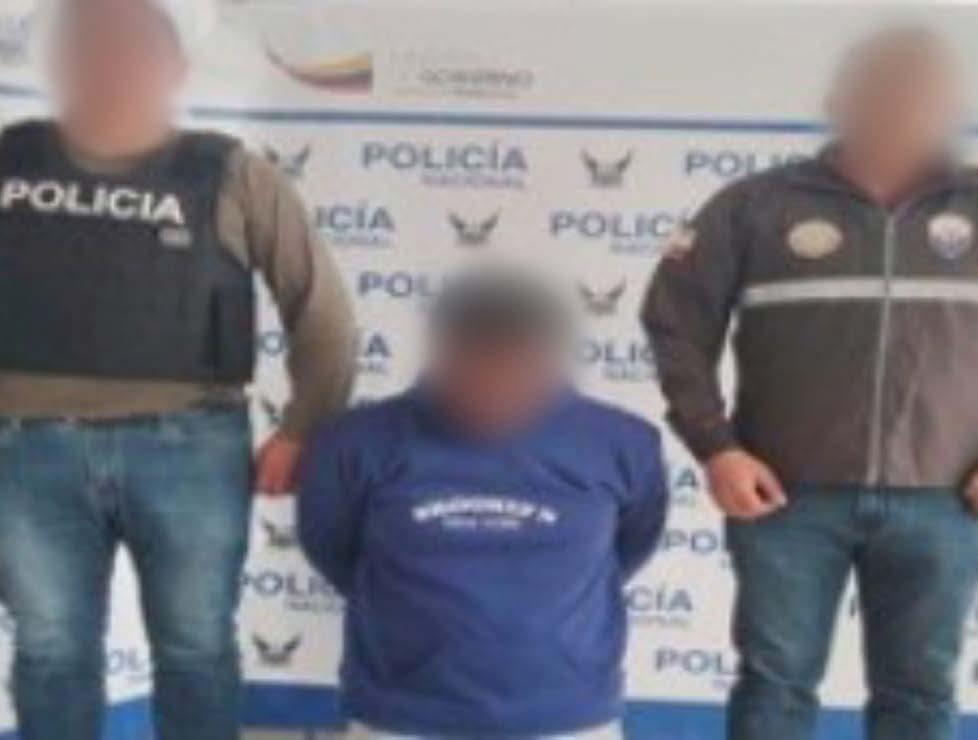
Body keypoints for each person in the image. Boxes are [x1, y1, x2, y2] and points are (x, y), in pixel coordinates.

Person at [0, 1, 356, 739]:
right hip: (26, 449)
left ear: (175, 70)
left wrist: (304, 427)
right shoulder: (10, 159)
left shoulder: (230, 173)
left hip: (188, 446)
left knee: (195, 652)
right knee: (50, 653)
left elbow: (320, 307)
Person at [643, 26, 978, 740]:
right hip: (786, 499)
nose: (900, 109)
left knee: (921, 693)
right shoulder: (756, 206)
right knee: (775, 688)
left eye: (920, 94)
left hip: (945, 502)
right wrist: (717, 448)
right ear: (840, 100)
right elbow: (675, 322)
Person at [300, 269, 668, 740]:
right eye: (475, 367)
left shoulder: (623, 444)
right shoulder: (356, 442)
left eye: (513, 369)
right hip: (401, 717)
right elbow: (332, 548)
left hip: (569, 717)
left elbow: (629, 547)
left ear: (547, 362)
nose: (493, 388)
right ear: (443, 356)